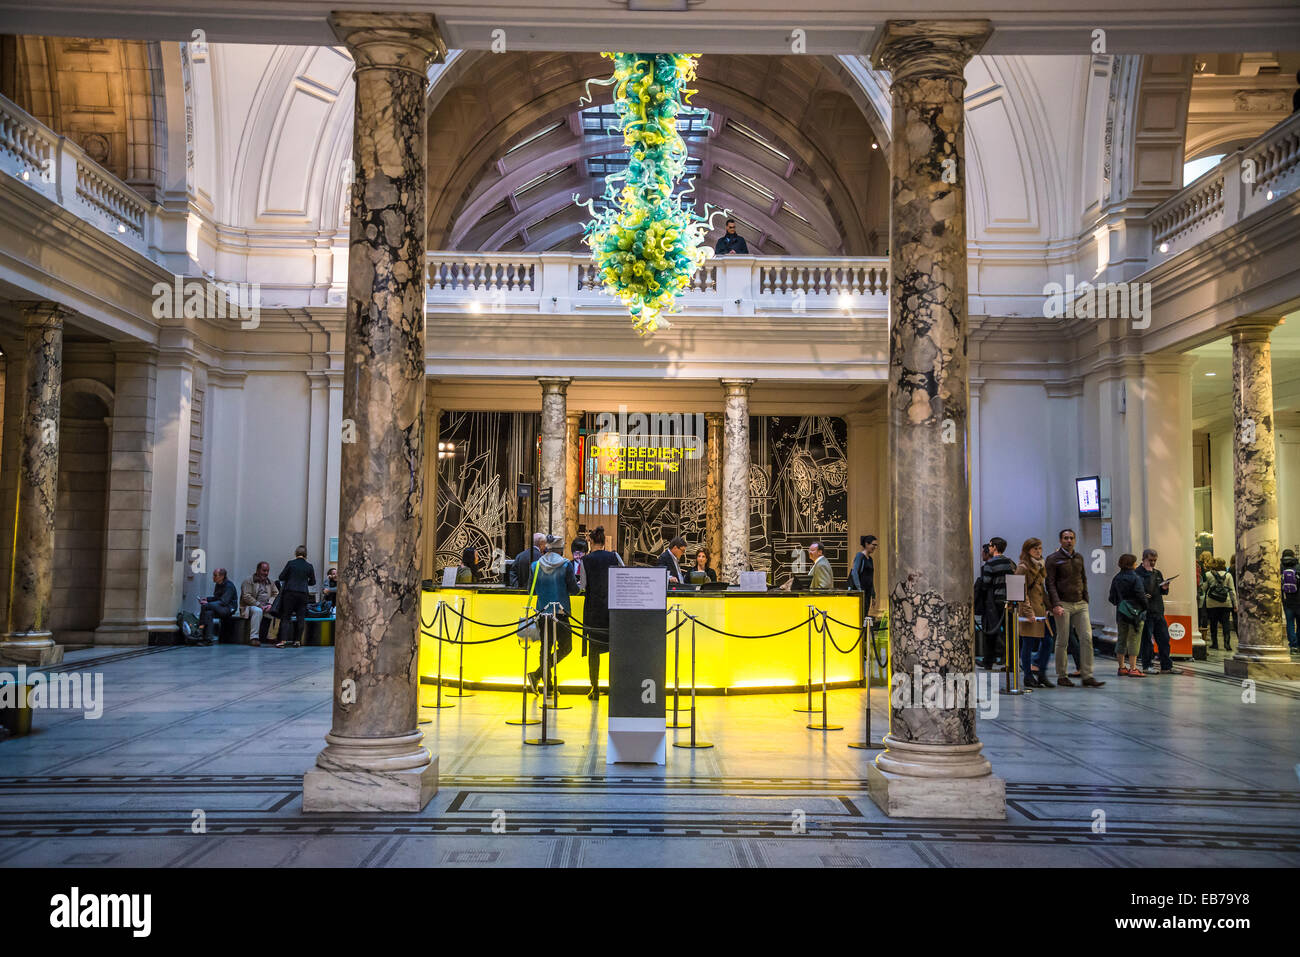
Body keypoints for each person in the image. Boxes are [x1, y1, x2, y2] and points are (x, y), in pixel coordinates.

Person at [1046, 529, 1105, 687]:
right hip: (1063, 604)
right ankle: (1062, 675)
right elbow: (1050, 583)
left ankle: (1087, 675)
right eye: (1065, 538)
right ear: (1060, 540)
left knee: (1087, 638)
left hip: (1080, 603)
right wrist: (1056, 604)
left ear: (1075, 540)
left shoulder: (1079, 557)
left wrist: (1086, 597)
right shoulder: (1053, 559)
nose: (1069, 541)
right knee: (1062, 640)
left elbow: (1083, 577)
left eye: (1071, 538)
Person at [526, 535, 579, 696]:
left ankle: (544, 682)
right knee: (566, 647)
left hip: (543, 612)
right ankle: (538, 676)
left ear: (547, 548)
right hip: (560, 613)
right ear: (561, 549)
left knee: (545, 647)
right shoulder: (565, 565)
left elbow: (531, 590)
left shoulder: (535, 565)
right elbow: (574, 590)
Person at [580, 526, 623, 698]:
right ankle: (616, 686)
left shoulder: (586, 560)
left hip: (593, 609)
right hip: (612, 609)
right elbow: (623, 575)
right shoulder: (614, 556)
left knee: (594, 650)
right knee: (614, 648)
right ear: (604, 542)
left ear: (591, 542)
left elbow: (582, 585)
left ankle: (595, 688)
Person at [1015, 538, 1053, 688]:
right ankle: (1028, 676)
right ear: (1028, 550)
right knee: (1028, 643)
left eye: (1040, 548)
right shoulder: (1023, 567)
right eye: (1035, 548)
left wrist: (1050, 606)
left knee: (1048, 641)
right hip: (1030, 611)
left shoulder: (1040, 566)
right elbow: (1021, 592)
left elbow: (1041, 590)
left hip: (1041, 610)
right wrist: (1028, 612)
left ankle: (1041, 672)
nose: (1038, 551)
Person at [974, 537, 1016, 670]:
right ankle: (1011, 662)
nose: (989, 548)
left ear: (995, 547)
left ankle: (988, 662)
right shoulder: (1010, 563)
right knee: (1010, 633)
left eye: (991, 546)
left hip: (994, 603)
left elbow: (986, 583)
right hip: (1010, 601)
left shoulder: (990, 564)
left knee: (990, 631)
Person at [1109, 553, 1148, 677]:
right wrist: (1145, 606)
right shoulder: (1136, 578)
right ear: (1132, 564)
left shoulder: (1116, 578)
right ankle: (1133, 668)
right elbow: (1140, 595)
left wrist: (1122, 604)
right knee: (1134, 640)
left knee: (1121, 639)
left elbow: (1111, 598)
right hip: (1135, 614)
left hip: (1121, 614)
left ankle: (1121, 667)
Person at [1136, 548, 1174, 674]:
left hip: (1158, 610)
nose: (1152, 563)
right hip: (1146, 611)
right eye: (1150, 560)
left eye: (1154, 561)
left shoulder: (1157, 573)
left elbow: (1161, 592)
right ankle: (1147, 665)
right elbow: (1136, 590)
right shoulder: (1138, 573)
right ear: (1144, 559)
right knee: (1147, 640)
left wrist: (1165, 588)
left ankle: (1166, 665)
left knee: (1164, 638)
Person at [276, 545, 316, 648]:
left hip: (290, 593)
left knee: (286, 617)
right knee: (300, 617)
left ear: (296, 553)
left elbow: (281, 577)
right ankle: (297, 641)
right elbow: (313, 582)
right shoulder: (309, 566)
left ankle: (283, 641)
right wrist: (304, 581)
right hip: (303, 594)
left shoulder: (291, 564)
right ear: (306, 554)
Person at [240, 561, 279, 646]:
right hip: (250, 607)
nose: (266, 573)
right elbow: (246, 596)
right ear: (258, 570)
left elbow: (276, 593)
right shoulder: (248, 581)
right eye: (264, 570)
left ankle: (271, 637)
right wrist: (259, 605)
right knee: (258, 611)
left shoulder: (270, 582)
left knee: (278, 612)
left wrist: (270, 604)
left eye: (267, 571)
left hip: (266, 607)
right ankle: (254, 638)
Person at [197, 568, 239, 645]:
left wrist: (208, 603)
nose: (213, 577)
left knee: (205, 606)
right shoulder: (218, 584)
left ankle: (200, 630)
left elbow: (224, 601)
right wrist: (207, 599)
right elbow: (217, 598)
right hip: (221, 607)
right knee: (208, 613)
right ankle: (208, 639)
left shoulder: (229, 586)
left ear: (222, 576)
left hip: (229, 608)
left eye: (215, 575)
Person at [1201, 556, 1236, 651]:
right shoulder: (1228, 575)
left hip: (1212, 603)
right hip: (1226, 602)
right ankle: (1227, 644)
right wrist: (1235, 604)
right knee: (1226, 623)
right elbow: (1232, 591)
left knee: (1213, 623)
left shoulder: (1208, 575)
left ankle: (1215, 643)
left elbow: (1204, 589)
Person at [849, 534, 877, 613]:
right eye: (873, 545)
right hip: (860, 592)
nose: (875, 547)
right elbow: (855, 573)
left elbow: (871, 578)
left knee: (865, 613)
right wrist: (859, 589)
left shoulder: (870, 559)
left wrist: (873, 595)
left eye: (876, 545)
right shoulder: (860, 556)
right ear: (866, 544)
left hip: (867, 592)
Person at [1281, 548, 1300, 650]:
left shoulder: (1280, 568)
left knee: (1290, 623)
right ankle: (1299, 643)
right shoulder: (1298, 567)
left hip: (1287, 600)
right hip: (1299, 600)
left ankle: (1293, 645)